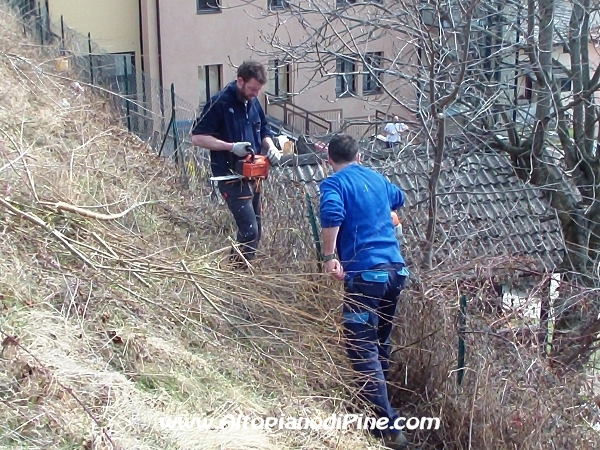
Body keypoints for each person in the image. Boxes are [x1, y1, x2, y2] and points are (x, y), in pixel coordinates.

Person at [319, 134, 410, 449]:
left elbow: (332, 215)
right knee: (380, 343)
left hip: (366, 275)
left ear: (330, 160)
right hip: (396, 272)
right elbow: (399, 198)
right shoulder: (377, 178)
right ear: (359, 155)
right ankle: (376, 416)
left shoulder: (334, 184)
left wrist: (330, 257)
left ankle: (389, 428)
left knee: (362, 348)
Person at [191, 60, 282, 267]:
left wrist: (270, 146)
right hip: (231, 176)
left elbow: (264, 130)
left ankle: (240, 270)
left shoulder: (253, 102)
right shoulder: (220, 103)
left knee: (256, 230)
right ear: (240, 81)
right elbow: (197, 138)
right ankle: (235, 272)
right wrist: (231, 147)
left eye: (258, 90)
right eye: (252, 89)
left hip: (254, 175)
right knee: (249, 231)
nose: (255, 94)